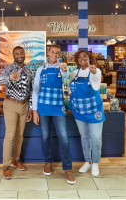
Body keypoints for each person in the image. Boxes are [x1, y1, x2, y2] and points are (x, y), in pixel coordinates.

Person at [32, 44, 76, 185]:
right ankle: (48, 162)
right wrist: (34, 111)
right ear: (48, 53)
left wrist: (64, 70)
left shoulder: (62, 68)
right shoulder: (40, 70)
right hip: (43, 108)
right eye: (52, 52)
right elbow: (35, 91)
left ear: (60, 55)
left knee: (64, 138)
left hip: (58, 108)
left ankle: (68, 169)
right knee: (45, 137)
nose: (55, 55)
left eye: (57, 53)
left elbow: (66, 75)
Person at [0, 46, 34, 180]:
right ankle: (6, 165)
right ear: (13, 56)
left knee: (20, 134)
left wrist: (30, 108)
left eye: (21, 53)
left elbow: (31, 91)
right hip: (11, 104)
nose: (19, 55)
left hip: (24, 105)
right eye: (17, 54)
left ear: (24, 54)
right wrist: (10, 78)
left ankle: (16, 159)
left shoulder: (29, 71)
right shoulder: (8, 69)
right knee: (10, 135)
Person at [69, 49, 105, 177]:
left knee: (96, 137)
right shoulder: (74, 73)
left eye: (85, 56)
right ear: (77, 60)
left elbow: (95, 76)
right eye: (79, 57)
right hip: (79, 110)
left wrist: (94, 71)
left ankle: (95, 162)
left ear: (89, 58)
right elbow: (69, 88)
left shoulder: (95, 71)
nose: (82, 58)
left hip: (94, 110)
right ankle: (88, 161)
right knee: (84, 137)